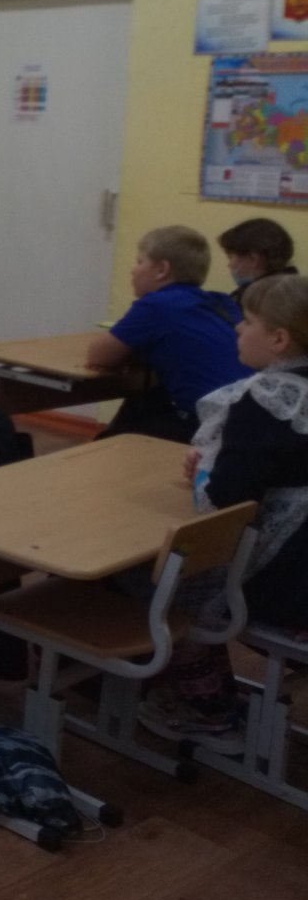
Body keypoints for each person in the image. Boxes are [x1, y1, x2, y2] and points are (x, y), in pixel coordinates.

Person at [136, 273, 308, 751]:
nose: (237, 329)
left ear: (278, 338)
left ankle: (205, 709)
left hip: (289, 585)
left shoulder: (265, 400)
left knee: (169, 578)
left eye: (247, 321)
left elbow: (222, 504)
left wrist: (204, 478)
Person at [87, 225, 249, 443]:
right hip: (249, 416)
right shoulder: (222, 302)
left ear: (162, 270)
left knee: (114, 439)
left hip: (212, 427)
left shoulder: (156, 305)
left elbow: (99, 356)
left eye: (140, 262)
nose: (133, 270)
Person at [217, 216, 296, 301]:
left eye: (230, 257)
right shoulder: (296, 290)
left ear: (253, 259)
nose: (229, 265)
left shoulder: (256, 301)